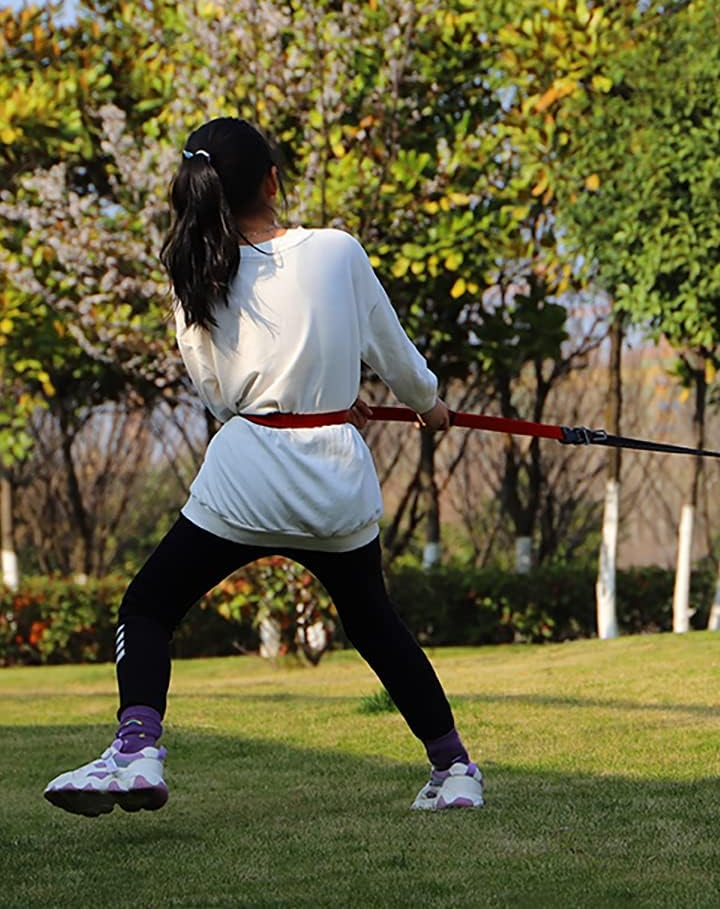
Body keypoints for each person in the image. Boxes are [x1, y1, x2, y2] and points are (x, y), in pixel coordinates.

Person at [43, 117, 482, 815]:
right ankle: (454, 767)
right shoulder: (337, 251)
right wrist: (425, 407)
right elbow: (395, 357)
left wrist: (307, 395)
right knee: (374, 624)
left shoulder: (193, 273)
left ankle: (136, 747)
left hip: (245, 484)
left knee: (149, 606)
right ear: (272, 181)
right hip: (333, 481)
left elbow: (221, 397)